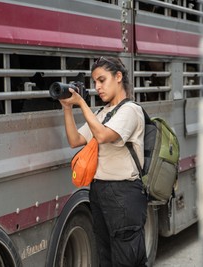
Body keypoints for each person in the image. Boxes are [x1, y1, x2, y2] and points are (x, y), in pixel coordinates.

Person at [59, 56, 148, 266]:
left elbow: (103, 136)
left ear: (118, 77)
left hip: (124, 194)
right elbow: (75, 140)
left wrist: (81, 102)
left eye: (102, 80)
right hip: (99, 191)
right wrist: (67, 108)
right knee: (105, 257)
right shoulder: (102, 113)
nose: (97, 87)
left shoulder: (131, 111)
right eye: (95, 83)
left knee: (126, 260)